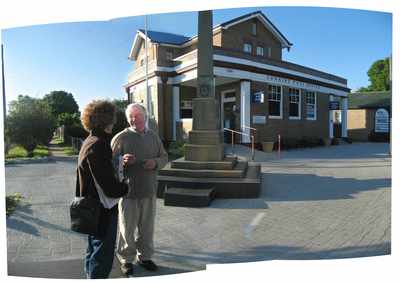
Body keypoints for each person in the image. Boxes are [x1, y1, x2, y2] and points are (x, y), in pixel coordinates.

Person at [111, 103, 168, 276]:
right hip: (128, 192)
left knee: (147, 228)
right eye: (131, 116)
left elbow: (164, 157)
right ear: (127, 119)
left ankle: (145, 257)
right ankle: (126, 260)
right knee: (126, 229)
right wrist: (122, 161)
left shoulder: (153, 137)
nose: (135, 119)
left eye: (138, 115)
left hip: (149, 190)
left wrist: (156, 163)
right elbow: (108, 164)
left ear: (145, 116)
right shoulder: (120, 138)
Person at [77, 100, 129, 279]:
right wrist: (124, 187)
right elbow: (108, 185)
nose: (114, 122)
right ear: (107, 119)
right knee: (103, 253)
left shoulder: (89, 141)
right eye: (112, 118)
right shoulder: (99, 144)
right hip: (102, 209)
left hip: (91, 207)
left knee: (93, 248)